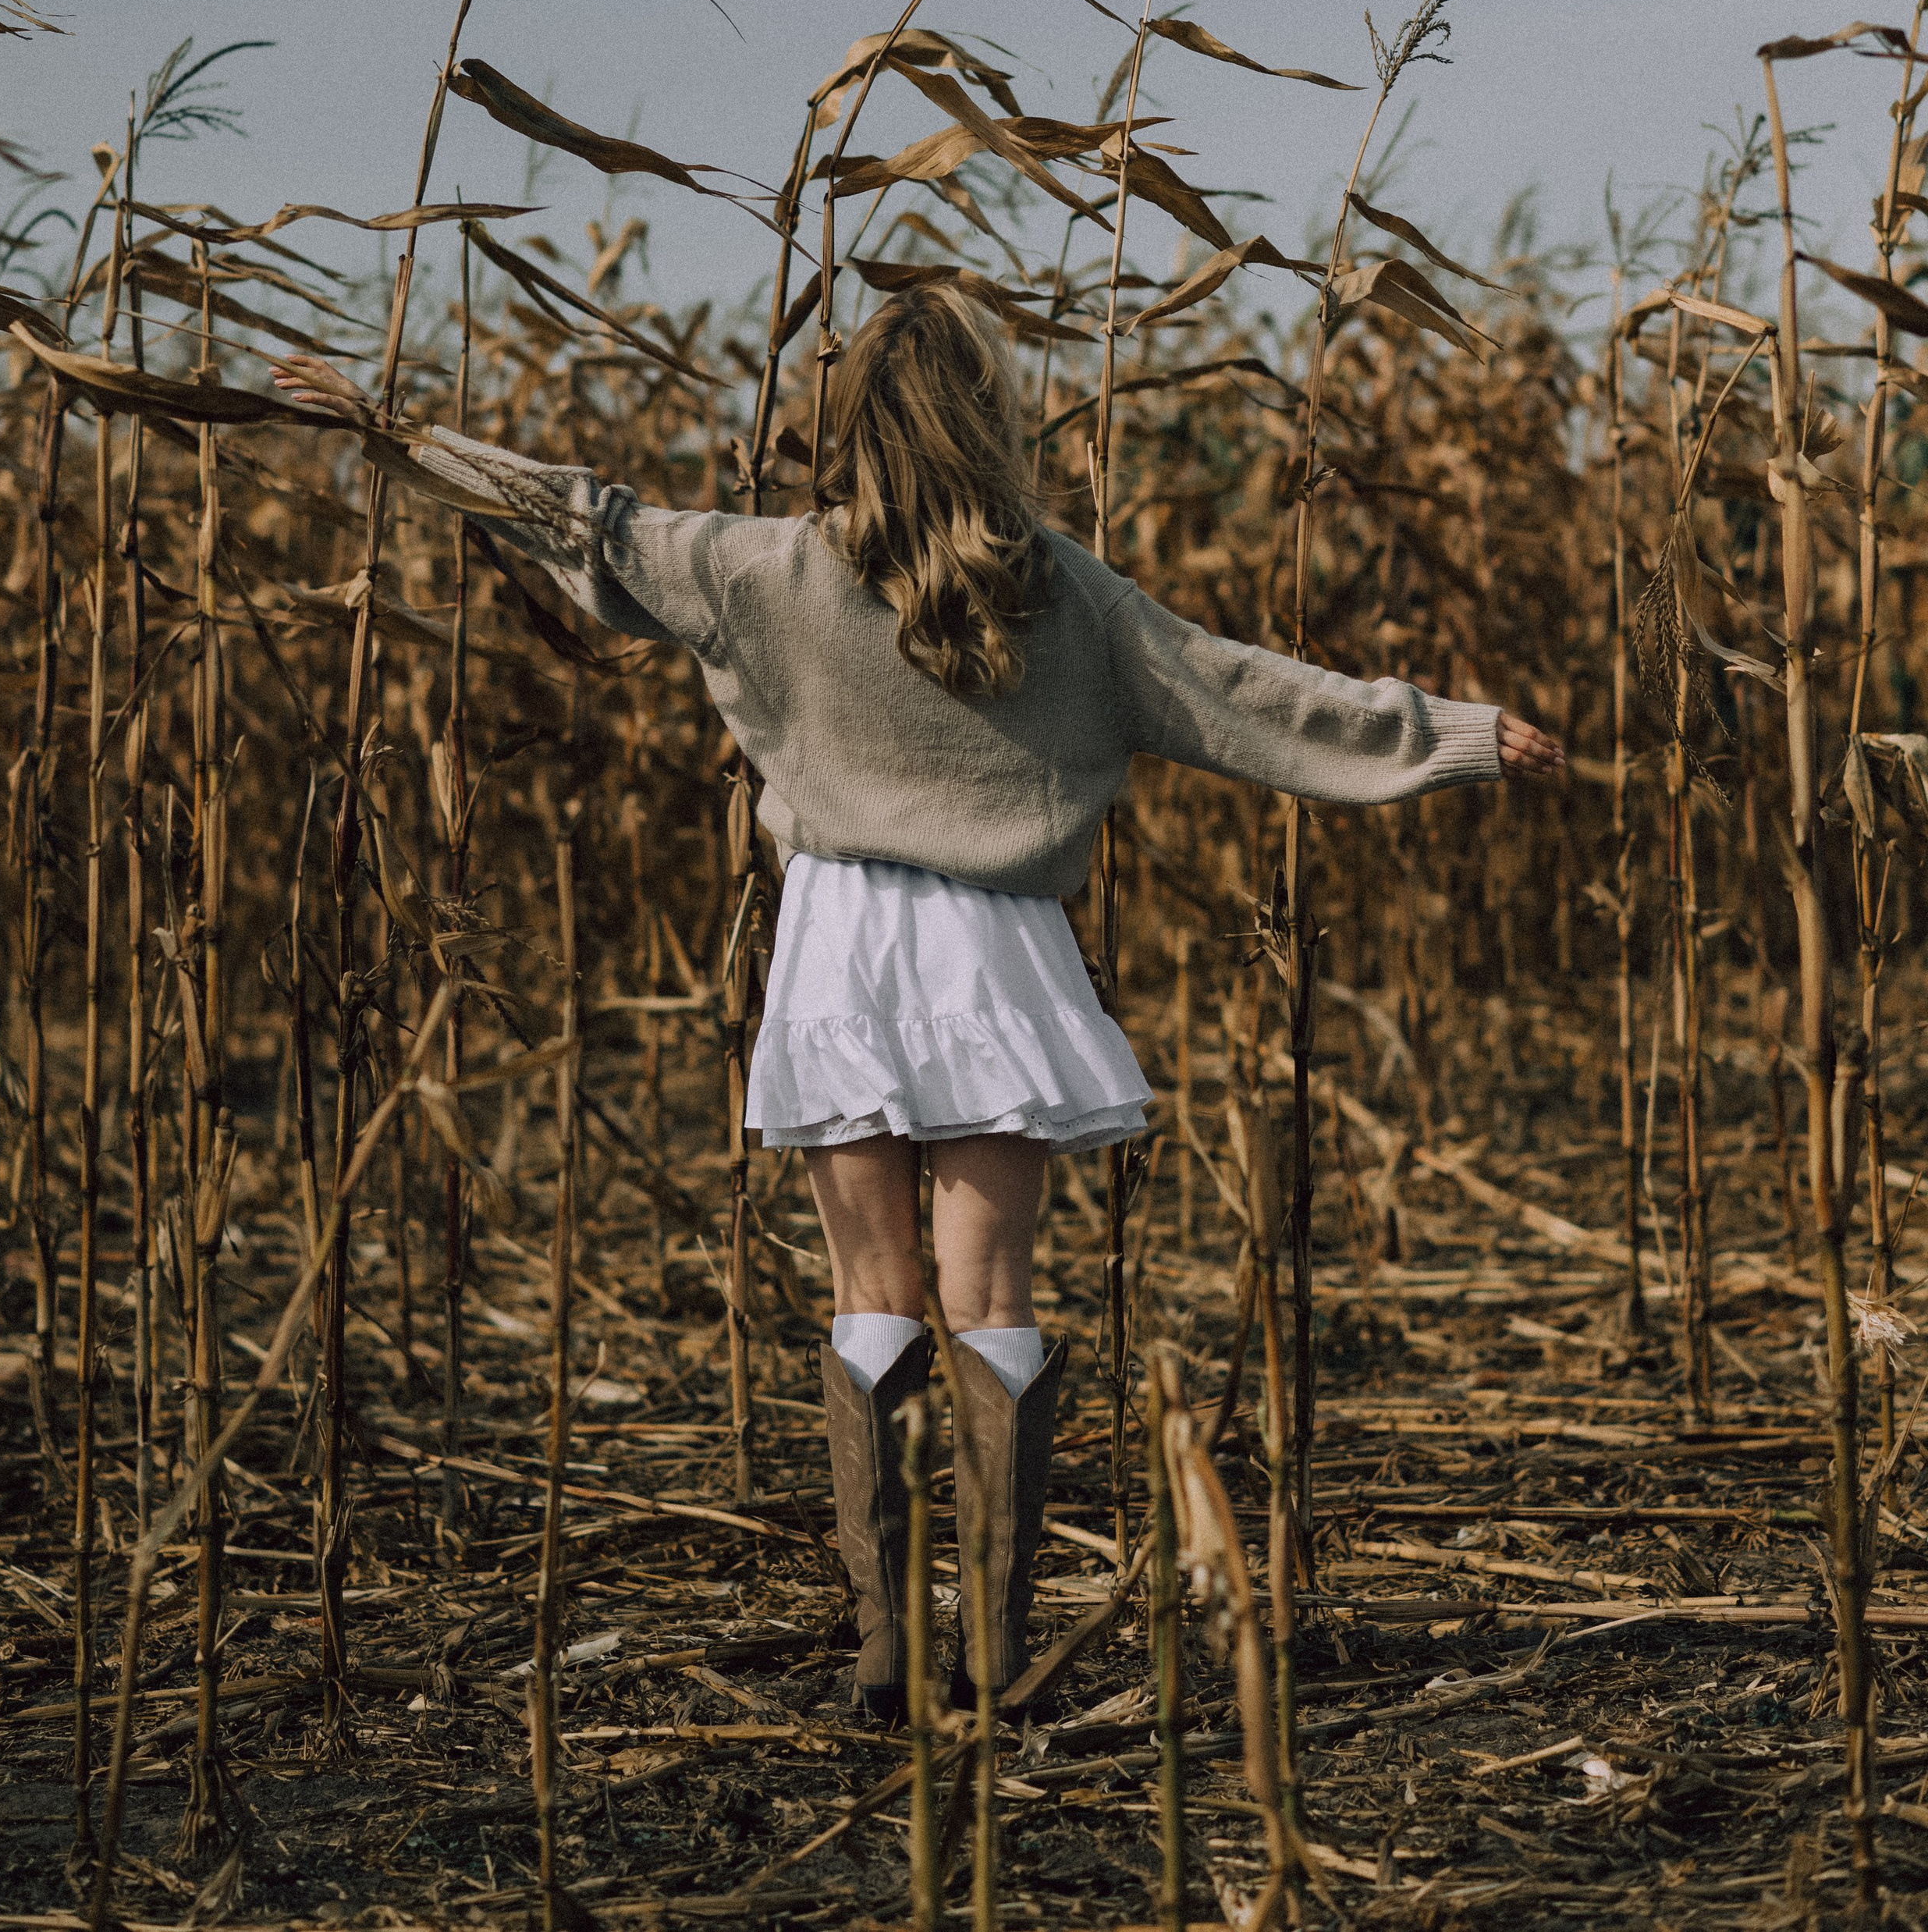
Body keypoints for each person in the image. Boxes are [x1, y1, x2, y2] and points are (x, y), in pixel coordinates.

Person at [273, 286, 1562, 1722]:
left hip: (842, 950)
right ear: (985, 422)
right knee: (990, 1296)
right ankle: (995, 1662)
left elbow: (585, 518)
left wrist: (397, 435)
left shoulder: (764, 569)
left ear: (849, 425)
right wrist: (1444, 735)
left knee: (872, 1295)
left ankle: (887, 1658)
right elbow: (1244, 694)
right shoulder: (1063, 592)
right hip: (995, 956)